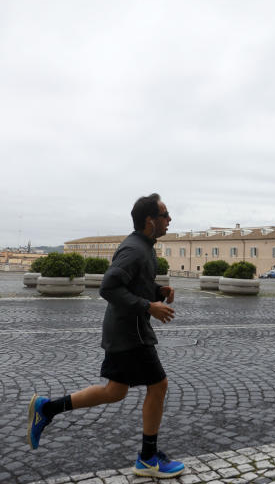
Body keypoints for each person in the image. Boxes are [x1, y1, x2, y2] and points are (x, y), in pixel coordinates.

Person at [27, 193, 185, 479]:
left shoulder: (145, 247)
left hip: (126, 329)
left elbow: (132, 285)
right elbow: (108, 287)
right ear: (150, 221)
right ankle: (148, 459)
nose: (169, 219)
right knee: (158, 385)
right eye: (165, 215)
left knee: (114, 391)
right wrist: (148, 305)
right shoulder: (135, 250)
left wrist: (157, 291)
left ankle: (47, 408)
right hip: (130, 332)